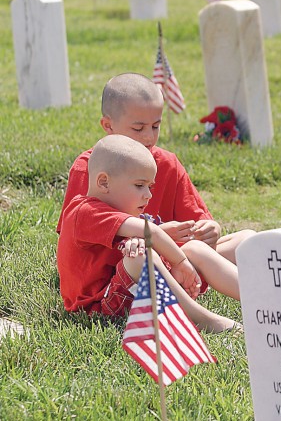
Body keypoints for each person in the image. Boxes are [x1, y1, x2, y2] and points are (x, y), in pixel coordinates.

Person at [57, 72, 254, 275]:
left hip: (175, 259)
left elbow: (197, 220)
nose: (149, 137)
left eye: (155, 126)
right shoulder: (89, 168)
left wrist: (211, 228)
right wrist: (155, 236)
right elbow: (74, 238)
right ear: (108, 126)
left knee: (247, 240)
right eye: (138, 128)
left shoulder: (167, 163)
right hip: (124, 269)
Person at [57, 134, 241, 332]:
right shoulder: (84, 211)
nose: (149, 194)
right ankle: (201, 319)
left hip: (133, 290)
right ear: (103, 182)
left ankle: (262, 299)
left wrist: (166, 238)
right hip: (101, 306)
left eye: (150, 186)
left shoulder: (120, 212)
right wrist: (180, 262)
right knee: (140, 257)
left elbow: (145, 236)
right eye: (139, 185)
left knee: (194, 248)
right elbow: (149, 232)